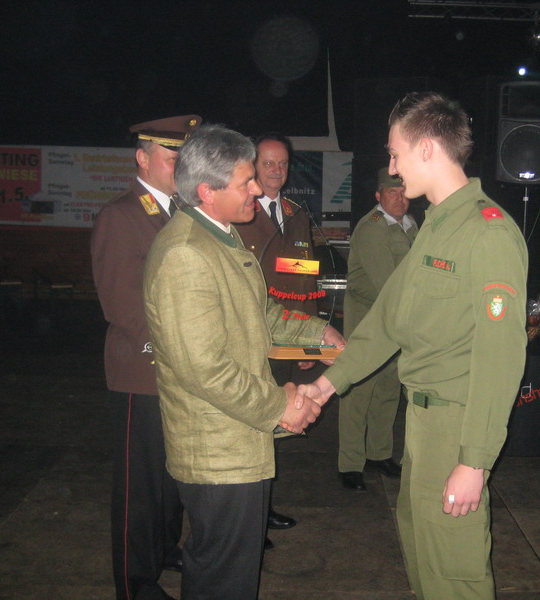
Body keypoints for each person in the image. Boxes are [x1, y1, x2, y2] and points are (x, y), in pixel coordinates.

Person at [296, 92, 528, 600]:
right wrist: (325, 386)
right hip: (420, 426)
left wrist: (474, 461)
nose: (394, 167)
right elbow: (386, 321)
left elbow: (501, 359)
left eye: (395, 153)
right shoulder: (435, 226)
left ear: (426, 148)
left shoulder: (487, 233)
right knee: (424, 563)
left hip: (456, 427)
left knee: (455, 575)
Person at [142, 123, 344, 600]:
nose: (257, 188)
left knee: (232, 570)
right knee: (223, 578)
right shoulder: (186, 255)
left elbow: (259, 312)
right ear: (207, 192)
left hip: (237, 442)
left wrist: (318, 331)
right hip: (217, 452)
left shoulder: (220, 237)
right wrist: (280, 406)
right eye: (245, 181)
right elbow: (204, 369)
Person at [91, 114, 200, 600]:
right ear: (142, 158)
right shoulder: (121, 216)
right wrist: (181, 348)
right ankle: (135, 585)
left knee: (171, 479)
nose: (181, 166)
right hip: (143, 372)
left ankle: (162, 549)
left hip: (178, 372)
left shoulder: (180, 213)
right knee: (139, 489)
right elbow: (124, 307)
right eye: (173, 158)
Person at [233, 132, 319, 535]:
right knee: (251, 425)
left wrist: (309, 338)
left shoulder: (296, 213)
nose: (276, 170)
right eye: (268, 163)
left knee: (273, 426)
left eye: (282, 163)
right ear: (253, 166)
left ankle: (262, 508)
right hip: (251, 334)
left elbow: (305, 274)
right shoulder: (240, 211)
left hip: (287, 337)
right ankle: (248, 516)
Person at [338, 167, 418, 491]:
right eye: (391, 193)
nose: (399, 199)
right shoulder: (372, 227)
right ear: (378, 196)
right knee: (359, 391)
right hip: (369, 321)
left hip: (397, 320)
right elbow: (387, 283)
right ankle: (350, 464)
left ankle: (379, 453)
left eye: (403, 193)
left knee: (388, 388)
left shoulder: (410, 225)